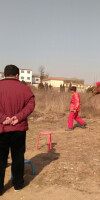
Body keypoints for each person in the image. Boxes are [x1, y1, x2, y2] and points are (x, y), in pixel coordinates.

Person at [0, 65, 35, 195]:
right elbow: (31, 104)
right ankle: (18, 185)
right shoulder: (25, 88)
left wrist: (3, 118)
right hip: (19, 128)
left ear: (4, 74)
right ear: (17, 75)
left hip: (2, 129)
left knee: (1, 159)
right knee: (18, 157)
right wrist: (18, 117)